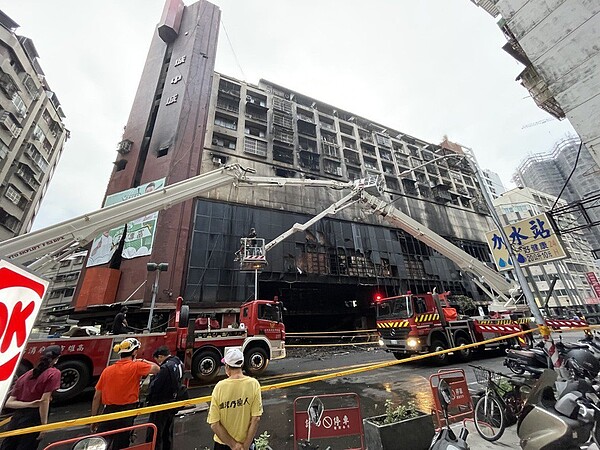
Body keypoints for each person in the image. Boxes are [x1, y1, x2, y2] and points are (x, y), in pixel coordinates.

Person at [91, 337, 159, 450]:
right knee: (122, 444)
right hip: (127, 413)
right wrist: (143, 361)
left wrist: (94, 419)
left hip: (108, 412)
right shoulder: (137, 366)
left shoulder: (107, 370)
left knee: (100, 443)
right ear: (135, 352)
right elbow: (157, 369)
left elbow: (96, 397)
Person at [0, 346, 62, 450]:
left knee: (8, 445)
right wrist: (44, 426)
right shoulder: (54, 373)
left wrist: (29, 403)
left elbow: (9, 402)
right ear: (57, 359)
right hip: (34, 418)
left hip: (17, 418)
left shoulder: (25, 375)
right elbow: (44, 401)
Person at [207, 348, 262, 450]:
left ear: (227, 366)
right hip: (246, 443)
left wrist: (233, 445)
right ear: (241, 365)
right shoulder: (253, 384)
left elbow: (214, 424)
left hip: (223, 445)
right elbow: (256, 419)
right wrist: (245, 446)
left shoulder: (219, 387)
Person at [146, 346, 184, 450]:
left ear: (161, 356)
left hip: (161, 403)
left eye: (157, 360)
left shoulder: (166, 368)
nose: (158, 363)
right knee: (168, 431)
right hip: (173, 402)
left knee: (155, 432)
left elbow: (155, 386)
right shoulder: (178, 362)